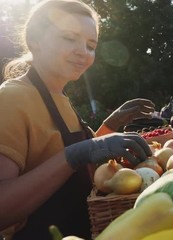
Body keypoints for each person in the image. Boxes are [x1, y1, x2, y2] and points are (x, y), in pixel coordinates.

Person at [0, 0, 155, 239]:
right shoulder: (12, 98)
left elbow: (82, 164)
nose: (83, 51)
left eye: (90, 45)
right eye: (69, 38)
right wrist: (74, 155)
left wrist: (110, 125)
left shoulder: (59, 96)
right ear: (35, 40)